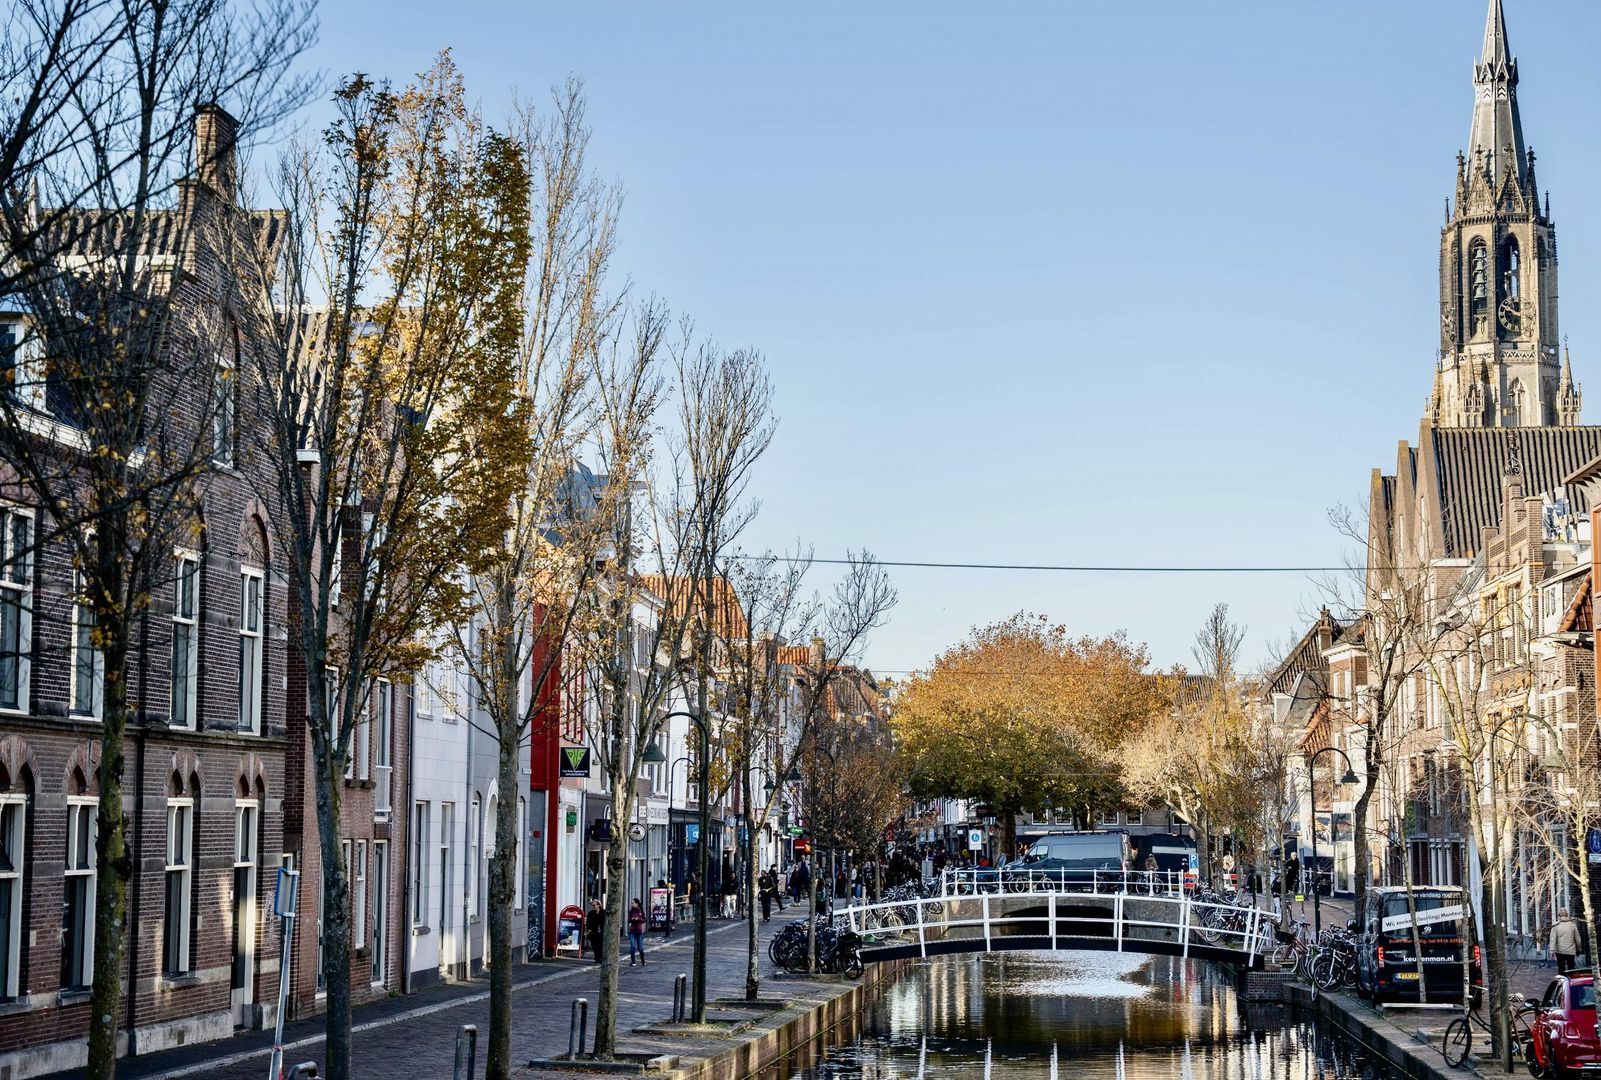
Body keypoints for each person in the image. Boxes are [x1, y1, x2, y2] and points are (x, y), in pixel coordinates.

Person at [1551, 907, 1582, 973]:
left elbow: (1553, 939)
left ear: (1558, 915)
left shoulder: (1555, 926)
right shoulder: (1572, 925)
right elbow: (1578, 939)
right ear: (1567, 914)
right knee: (1571, 968)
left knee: (1561, 968)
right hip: (1571, 951)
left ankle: (1562, 981)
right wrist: (1579, 949)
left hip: (1560, 951)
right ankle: (1571, 981)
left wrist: (1552, 951)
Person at [627, 898, 648, 966]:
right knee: (632, 946)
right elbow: (629, 920)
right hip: (632, 931)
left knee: (640, 948)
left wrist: (638, 919)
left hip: (640, 931)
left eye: (633, 903)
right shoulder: (631, 911)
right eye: (632, 903)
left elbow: (644, 919)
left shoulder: (641, 910)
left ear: (637, 903)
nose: (632, 904)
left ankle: (643, 960)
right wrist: (632, 919)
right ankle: (633, 962)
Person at [585, 898, 605, 962]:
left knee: (601, 945)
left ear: (598, 905)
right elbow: (588, 923)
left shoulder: (604, 912)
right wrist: (589, 929)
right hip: (593, 932)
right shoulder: (591, 913)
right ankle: (597, 958)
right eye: (592, 906)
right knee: (594, 946)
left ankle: (601, 958)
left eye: (594, 905)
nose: (593, 907)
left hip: (602, 932)